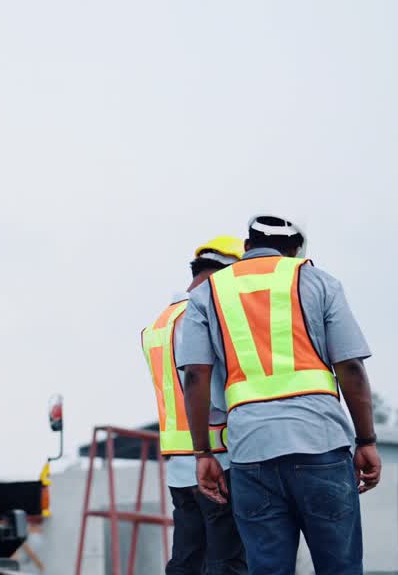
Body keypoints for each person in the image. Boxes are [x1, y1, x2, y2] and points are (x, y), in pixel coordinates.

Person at [177, 215, 380, 575]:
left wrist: (202, 452)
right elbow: (350, 368)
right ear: (295, 251)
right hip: (322, 446)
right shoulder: (319, 281)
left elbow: (195, 375)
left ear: (247, 247)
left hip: (251, 455)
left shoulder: (208, 294)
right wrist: (366, 440)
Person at [141, 236, 247, 575]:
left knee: (187, 559)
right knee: (226, 561)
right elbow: (214, 396)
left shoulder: (159, 323)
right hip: (217, 461)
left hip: (179, 466)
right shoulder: (200, 316)